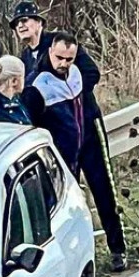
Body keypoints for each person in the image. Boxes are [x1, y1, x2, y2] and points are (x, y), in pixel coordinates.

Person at [10, 1, 128, 272]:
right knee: (67, 200)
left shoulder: (62, 43)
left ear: (39, 22)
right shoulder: (25, 61)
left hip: (87, 127)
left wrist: (68, 96)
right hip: (61, 141)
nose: (22, 25)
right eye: (18, 23)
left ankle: (117, 248)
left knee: (102, 188)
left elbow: (91, 73)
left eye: (27, 19)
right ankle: (75, 260)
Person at [22, 32, 85, 175]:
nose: (63, 63)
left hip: (75, 157)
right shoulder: (36, 85)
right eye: (59, 58)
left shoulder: (75, 73)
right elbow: (30, 127)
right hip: (52, 163)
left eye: (69, 59)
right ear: (50, 51)